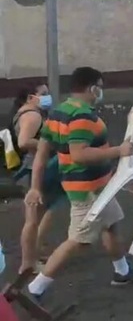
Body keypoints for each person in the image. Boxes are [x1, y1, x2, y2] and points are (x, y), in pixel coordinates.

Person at [25, 67, 133, 297]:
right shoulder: (82, 115)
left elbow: (42, 154)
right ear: (92, 87)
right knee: (78, 240)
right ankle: (36, 288)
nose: (101, 91)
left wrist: (36, 187)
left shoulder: (58, 112)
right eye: (100, 87)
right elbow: (79, 154)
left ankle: (122, 272)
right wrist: (119, 151)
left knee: (111, 225)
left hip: (95, 186)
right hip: (88, 190)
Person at [11, 84, 64, 274]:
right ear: (30, 97)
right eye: (43, 94)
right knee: (33, 220)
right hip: (35, 169)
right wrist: (48, 144)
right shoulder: (32, 116)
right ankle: (28, 264)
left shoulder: (25, 114)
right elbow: (24, 141)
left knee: (39, 216)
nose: (47, 97)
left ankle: (35, 254)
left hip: (34, 168)